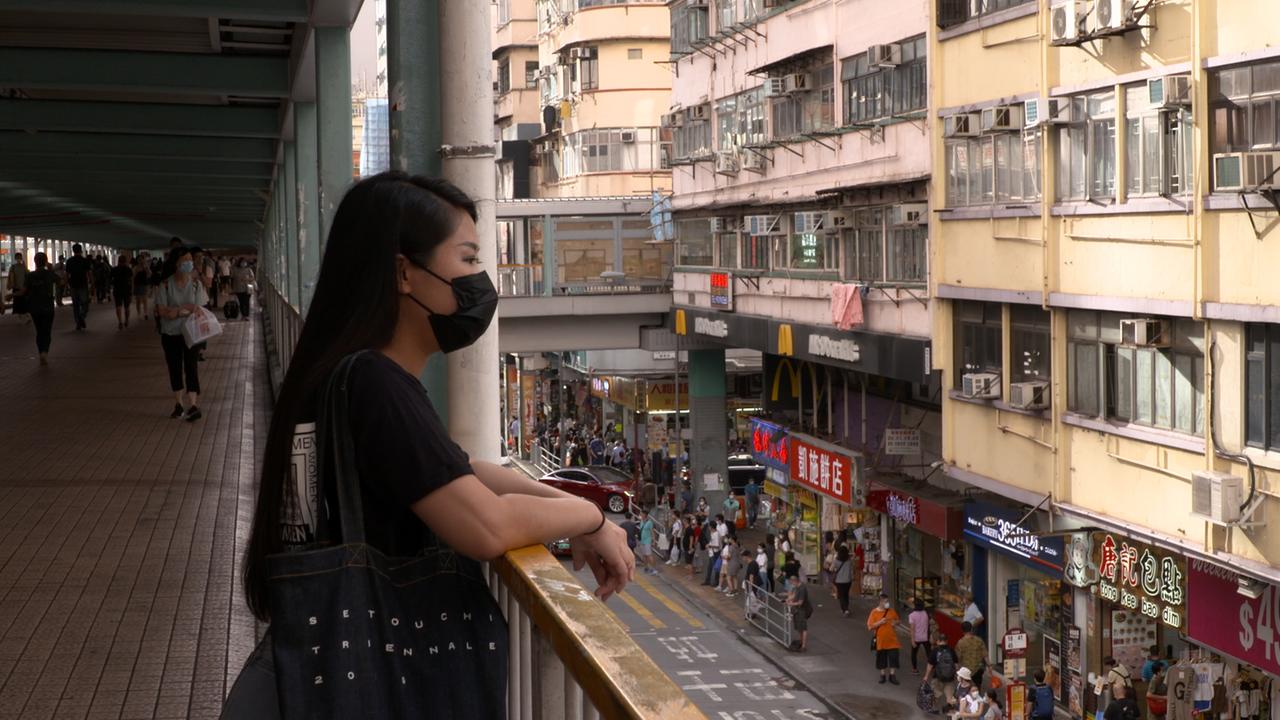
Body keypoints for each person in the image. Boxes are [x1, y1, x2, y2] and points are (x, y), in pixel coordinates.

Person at [226, 174, 632, 719]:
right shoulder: (374, 382)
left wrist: (578, 510)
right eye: (466, 260)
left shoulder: (340, 373)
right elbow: (485, 526)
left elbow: (462, 473)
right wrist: (588, 518)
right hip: (378, 676)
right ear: (403, 273)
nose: (481, 282)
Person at [155, 246, 209, 422]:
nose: (189, 263)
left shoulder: (196, 284)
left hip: (191, 333)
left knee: (191, 367)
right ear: (176, 263)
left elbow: (199, 309)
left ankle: (193, 405)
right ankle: (178, 404)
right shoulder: (165, 285)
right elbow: (162, 311)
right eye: (185, 260)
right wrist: (185, 309)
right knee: (174, 367)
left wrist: (177, 311)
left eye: (190, 260)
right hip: (170, 334)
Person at [22, 253, 57, 365]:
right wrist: (52, 269)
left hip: (35, 307)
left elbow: (23, 291)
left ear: (35, 261)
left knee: (39, 331)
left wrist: (11, 296)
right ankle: (44, 352)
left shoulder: (30, 275)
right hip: (48, 306)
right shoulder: (50, 274)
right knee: (46, 331)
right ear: (46, 261)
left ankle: (40, 351)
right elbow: (62, 281)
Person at [867, 593, 901, 685]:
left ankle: (892, 676)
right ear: (880, 602)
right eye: (886, 601)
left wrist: (895, 623)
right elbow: (870, 626)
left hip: (892, 640)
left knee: (894, 658)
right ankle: (882, 675)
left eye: (887, 601)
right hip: (880, 640)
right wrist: (880, 622)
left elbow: (898, 621)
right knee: (881, 658)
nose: (887, 603)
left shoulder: (891, 611)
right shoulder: (874, 612)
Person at [926, 634, 961, 713]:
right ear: (947, 641)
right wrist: (957, 675)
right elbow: (956, 664)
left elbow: (930, 665)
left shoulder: (935, 651)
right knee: (950, 697)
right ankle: (950, 714)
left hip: (937, 677)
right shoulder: (951, 650)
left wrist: (926, 676)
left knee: (935, 694)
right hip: (950, 678)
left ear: (938, 641)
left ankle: (933, 708)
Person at [64, 244, 92, 330]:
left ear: (73, 251)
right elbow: (89, 273)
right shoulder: (85, 261)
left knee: (75, 305)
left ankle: (78, 322)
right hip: (83, 284)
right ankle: (81, 317)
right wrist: (92, 283)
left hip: (73, 285)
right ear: (81, 251)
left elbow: (67, 274)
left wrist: (66, 285)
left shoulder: (69, 261)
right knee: (85, 303)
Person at [956, 621, 989, 691]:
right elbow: (985, 655)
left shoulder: (960, 643)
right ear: (971, 629)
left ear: (962, 630)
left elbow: (957, 658)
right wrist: (990, 666)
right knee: (977, 688)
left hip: (966, 671)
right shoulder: (979, 640)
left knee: (966, 689)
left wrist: (958, 670)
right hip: (978, 669)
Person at [785, 571, 811, 652]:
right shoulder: (797, 587)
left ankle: (803, 646)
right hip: (797, 610)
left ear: (795, 581)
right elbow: (794, 595)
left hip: (802, 610)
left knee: (803, 628)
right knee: (799, 628)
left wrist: (790, 603)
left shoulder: (802, 588)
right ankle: (801, 641)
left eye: (792, 583)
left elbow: (800, 602)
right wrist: (787, 599)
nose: (792, 585)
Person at [111, 254, 134, 330]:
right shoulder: (128, 269)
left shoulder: (114, 269)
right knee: (127, 307)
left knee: (118, 307)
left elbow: (111, 280)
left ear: (118, 261)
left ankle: (120, 322)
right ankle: (126, 320)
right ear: (126, 261)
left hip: (117, 290)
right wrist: (131, 291)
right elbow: (131, 281)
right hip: (127, 290)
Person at [908, 598, 931, 673]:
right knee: (929, 653)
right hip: (925, 637)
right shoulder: (925, 613)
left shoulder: (912, 615)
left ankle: (914, 669)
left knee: (914, 654)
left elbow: (912, 629)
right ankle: (932, 667)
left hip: (917, 638)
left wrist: (912, 640)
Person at [832, 545, 854, 617]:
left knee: (841, 595)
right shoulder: (849, 561)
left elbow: (831, 569)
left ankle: (845, 609)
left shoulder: (836, 560)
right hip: (848, 580)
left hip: (839, 581)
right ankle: (846, 608)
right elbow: (852, 570)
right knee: (846, 594)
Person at [5, 251, 27, 318]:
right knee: (17, 303)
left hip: (22, 288)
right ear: (15, 258)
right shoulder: (13, 267)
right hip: (17, 287)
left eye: (19, 257)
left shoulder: (23, 267)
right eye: (17, 257)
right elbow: (10, 277)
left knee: (21, 303)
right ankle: (18, 317)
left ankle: (20, 316)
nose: (18, 259)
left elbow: (27, 275)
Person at [636, 510, 657, 575]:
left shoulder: (650, 522)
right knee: (644, 555)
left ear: (645, 515)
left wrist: (654, 541)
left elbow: (652, 532)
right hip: (642, 541)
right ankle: (646, 567)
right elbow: (641, 530)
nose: (640, 515)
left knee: (649, 555)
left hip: (647, 541)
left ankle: (654, 569)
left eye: (641, 514)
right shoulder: (641, 521)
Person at [133, 256, 151, 320]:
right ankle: (139, 313)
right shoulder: (135, 268)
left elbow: (149, 274)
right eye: (139, 260)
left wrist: (146, 268)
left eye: (141, 259)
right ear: (137, 260)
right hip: (137, 285)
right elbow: (133, 277)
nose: (140, 261)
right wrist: (137, 271)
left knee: (145, 300)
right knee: (138, 301)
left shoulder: (146, 267)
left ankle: (145, 313)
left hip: (144, 285)